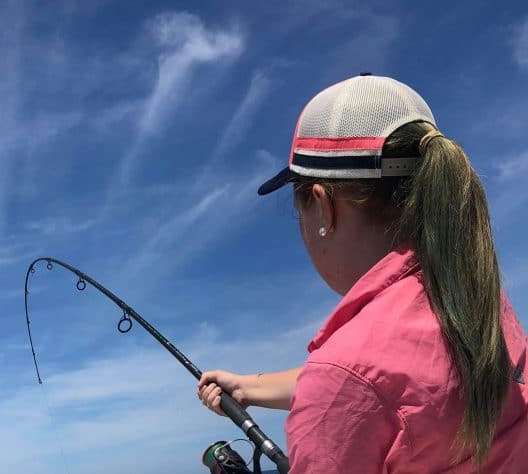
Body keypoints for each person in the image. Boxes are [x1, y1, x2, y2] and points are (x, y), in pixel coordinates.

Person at [197, 74, 528, 473]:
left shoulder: (343, 376)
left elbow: (357, 383)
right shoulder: (477, 303)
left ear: (322, 206)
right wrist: (248, 387)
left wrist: (324, 382)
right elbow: (390, 382)